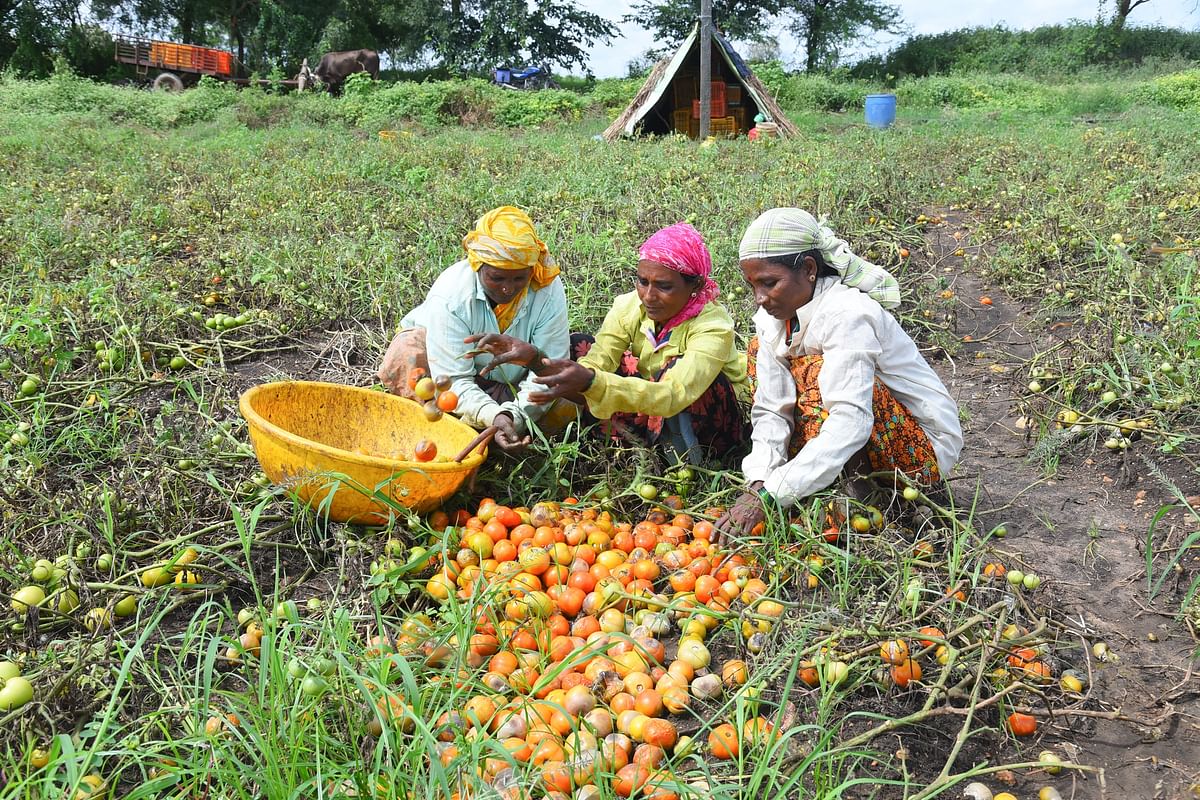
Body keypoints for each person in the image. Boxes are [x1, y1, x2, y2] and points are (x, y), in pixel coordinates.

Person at [716, 208, 963, 537]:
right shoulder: (771, 321)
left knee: (818, 372)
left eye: (769, 283)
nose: (760, 298)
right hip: (847, 432)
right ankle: (825, 486)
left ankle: (864, 502)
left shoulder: (849, 313)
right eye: (752, 285)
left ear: (808, 269)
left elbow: (851, 420)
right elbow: (772, 409)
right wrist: (760, 479)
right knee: (759, 351)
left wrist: (773, 494)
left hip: (915, 448)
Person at [471, 222, 750, 465]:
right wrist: (538, 361)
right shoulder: (629, 306)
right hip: (651, 394)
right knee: (579, 346)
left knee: (673, 373)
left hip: (704, 412)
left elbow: (674, 393)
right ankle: (627, 437)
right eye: (643, 282)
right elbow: (598, 359)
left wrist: (592, 382)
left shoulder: (713, 327)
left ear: (696, 287)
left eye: (664, 286)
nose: (648, 296)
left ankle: (686, 457)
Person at [377, 206, 569, 453]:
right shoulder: (451, 296)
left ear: (531, 271)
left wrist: (513, 416)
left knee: (575, 378)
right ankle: (456, 433)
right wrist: (492, 415)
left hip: (515, 385)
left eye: (518, 279)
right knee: (407, 353)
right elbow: (453, 379)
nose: (508, 289)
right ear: (478, 266)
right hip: (449, 381)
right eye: (497, 278)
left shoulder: (547, 290)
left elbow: (548, 366)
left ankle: (507, 436)